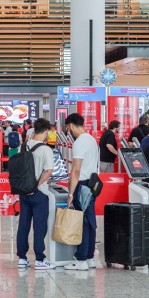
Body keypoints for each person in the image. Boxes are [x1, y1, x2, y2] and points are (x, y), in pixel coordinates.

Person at [16, 118, 56, 271]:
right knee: (39, 226)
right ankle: (40, 259)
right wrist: (36, 185)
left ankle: (22, 258)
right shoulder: (46, 149)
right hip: (39, 193)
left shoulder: (23, 146)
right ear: (46, 131)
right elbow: (49, 171)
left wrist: (28, 186)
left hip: (24, 192)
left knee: (24, 225)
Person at [64, 113, 99, 271]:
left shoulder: (79, 142)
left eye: (67, 128)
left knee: (82, 222)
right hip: (92, 184)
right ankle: (90, 257)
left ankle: (81, 259)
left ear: (70, 125)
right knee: (90, 221)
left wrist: (71, 194)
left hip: (82, 185)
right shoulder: (91, 139)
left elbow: (76, 170)